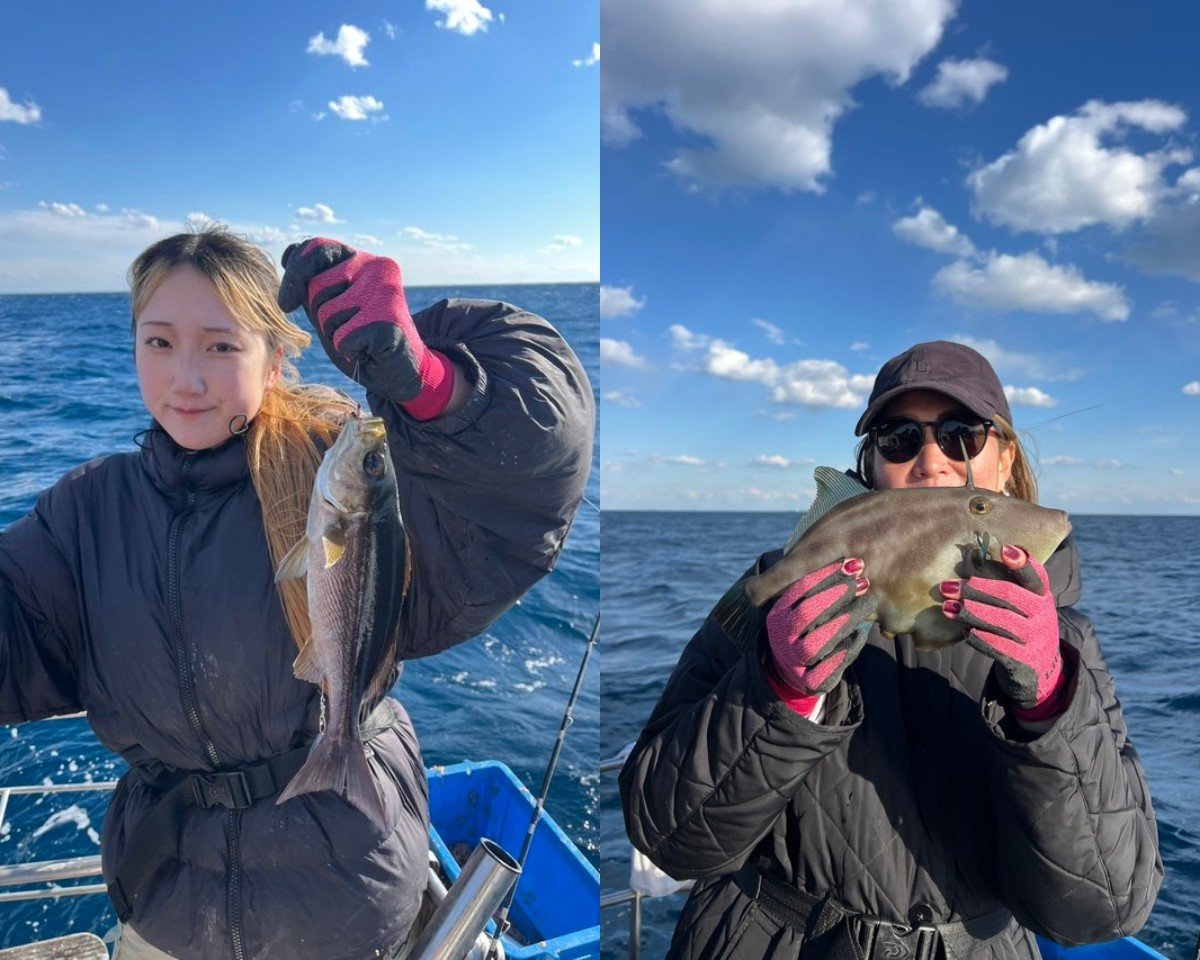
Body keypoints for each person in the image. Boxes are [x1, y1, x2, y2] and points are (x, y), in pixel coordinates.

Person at [0, 227, 594, 960]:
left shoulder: (337, 466)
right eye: (159, 343)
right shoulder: (85, 512)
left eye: (221, 346)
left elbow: (516, 498)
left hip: (347, 898)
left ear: (276, 360)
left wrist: (438, 388)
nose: (186, 377)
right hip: (166, 900)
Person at [620, 341, 1161, 960]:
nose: (931, 462)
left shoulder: (1064, 643)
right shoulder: (779, 602)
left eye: (963, 433)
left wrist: (1046, 706)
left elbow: (1106, 908)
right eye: (900, 437)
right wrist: (780, 690)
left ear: (1006, 458)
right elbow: (671, 841)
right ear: (871, 463)